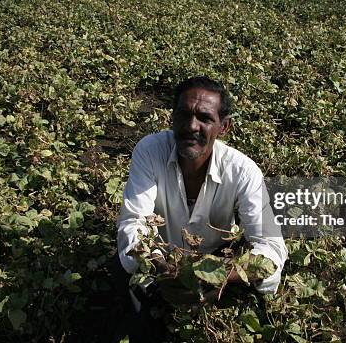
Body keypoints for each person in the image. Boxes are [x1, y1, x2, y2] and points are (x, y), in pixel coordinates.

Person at [113, 76, 287, 342]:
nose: (191, 126)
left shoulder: (243, 171)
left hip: (216, 266)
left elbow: (271, 248)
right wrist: (166, 270)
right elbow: (133, 223)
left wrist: (219, 276)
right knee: (136, 315)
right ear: (172, 117)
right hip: (160, 261)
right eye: (183, 114)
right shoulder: (150, 151)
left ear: (223, 127)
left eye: (204, 118)